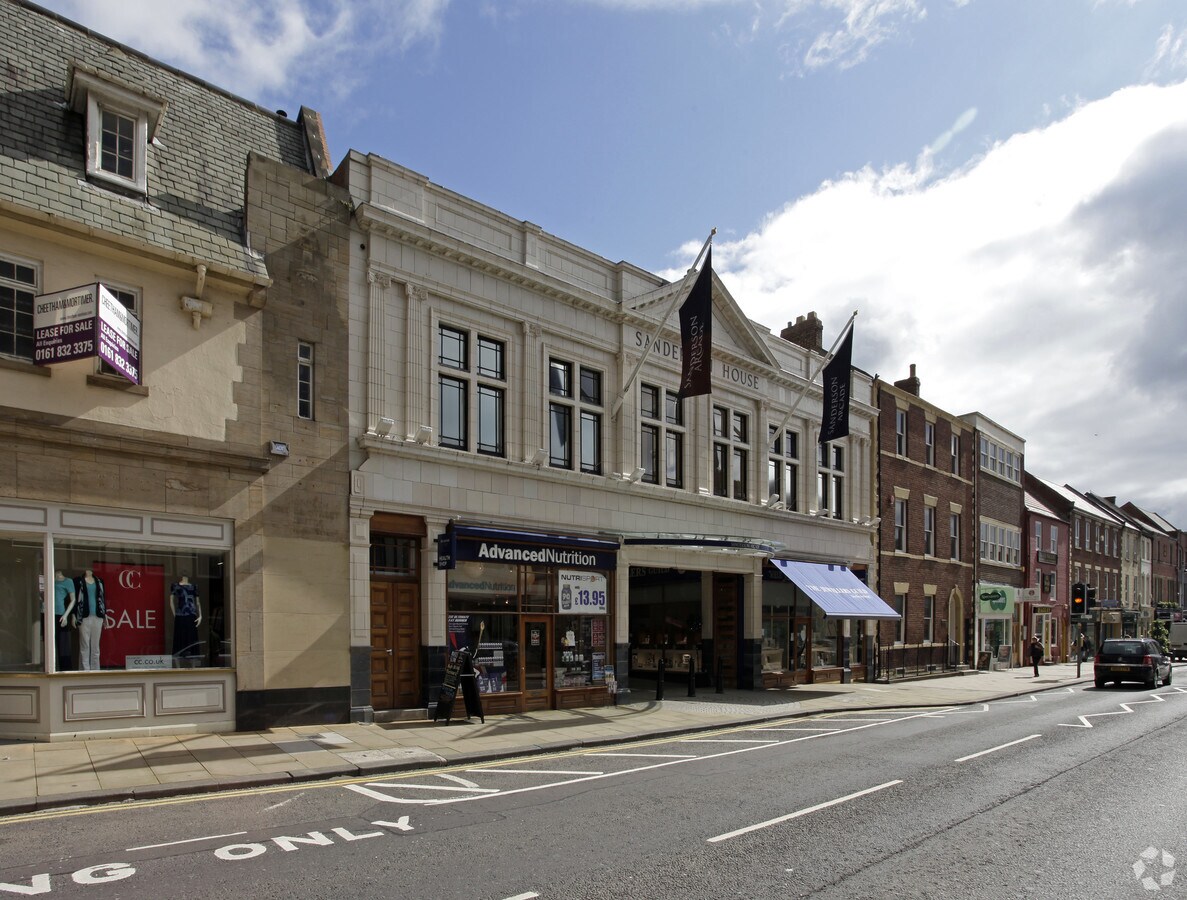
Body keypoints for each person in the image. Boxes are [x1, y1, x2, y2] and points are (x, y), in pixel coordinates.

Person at [73, 568, 107, 671]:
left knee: (95, 645)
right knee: (85, 645)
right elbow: (75, 599)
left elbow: (103, 598)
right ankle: (85, 670)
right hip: (83, 616)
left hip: (98, 615)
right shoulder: (78, 581)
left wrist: (105, 615)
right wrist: (73, 615)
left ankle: (95, 670)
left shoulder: (99, 581)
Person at [169, 575, 202, 664]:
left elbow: (198, 602)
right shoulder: (175, 586)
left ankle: (193, 666)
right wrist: (175, 615)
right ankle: (178, 667)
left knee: (191, 639)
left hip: (191, 615)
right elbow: (171, 601)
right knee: (179, 639)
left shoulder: (194, 587)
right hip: (180, 615)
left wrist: (200, 616)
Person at [52, 570, 76, 671]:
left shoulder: (68, 581)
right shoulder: (49, 578)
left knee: (63, 643)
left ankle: (65, 669)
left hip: (60, 615)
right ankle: (51, 667)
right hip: (47, 613)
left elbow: (73, 599)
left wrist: (66, 615)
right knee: (49, 642)